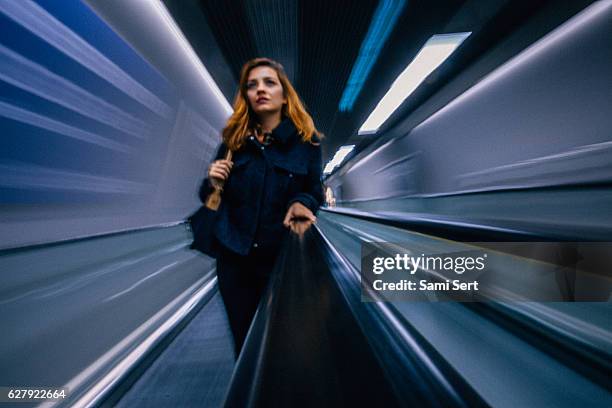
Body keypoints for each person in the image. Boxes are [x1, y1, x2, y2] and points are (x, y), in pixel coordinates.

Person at [198, 57, 324, 356]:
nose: (260, 90)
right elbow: (208, 197)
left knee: (287, 342)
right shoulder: (234, 142)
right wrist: (212, 182)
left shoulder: (307, 143)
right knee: (245, 343)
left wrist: (300, 202)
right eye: (251, 85)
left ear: (284, 94)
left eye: (269, 82)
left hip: (282, 259)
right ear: (246, 96)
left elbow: (314, 190)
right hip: (234, 260)